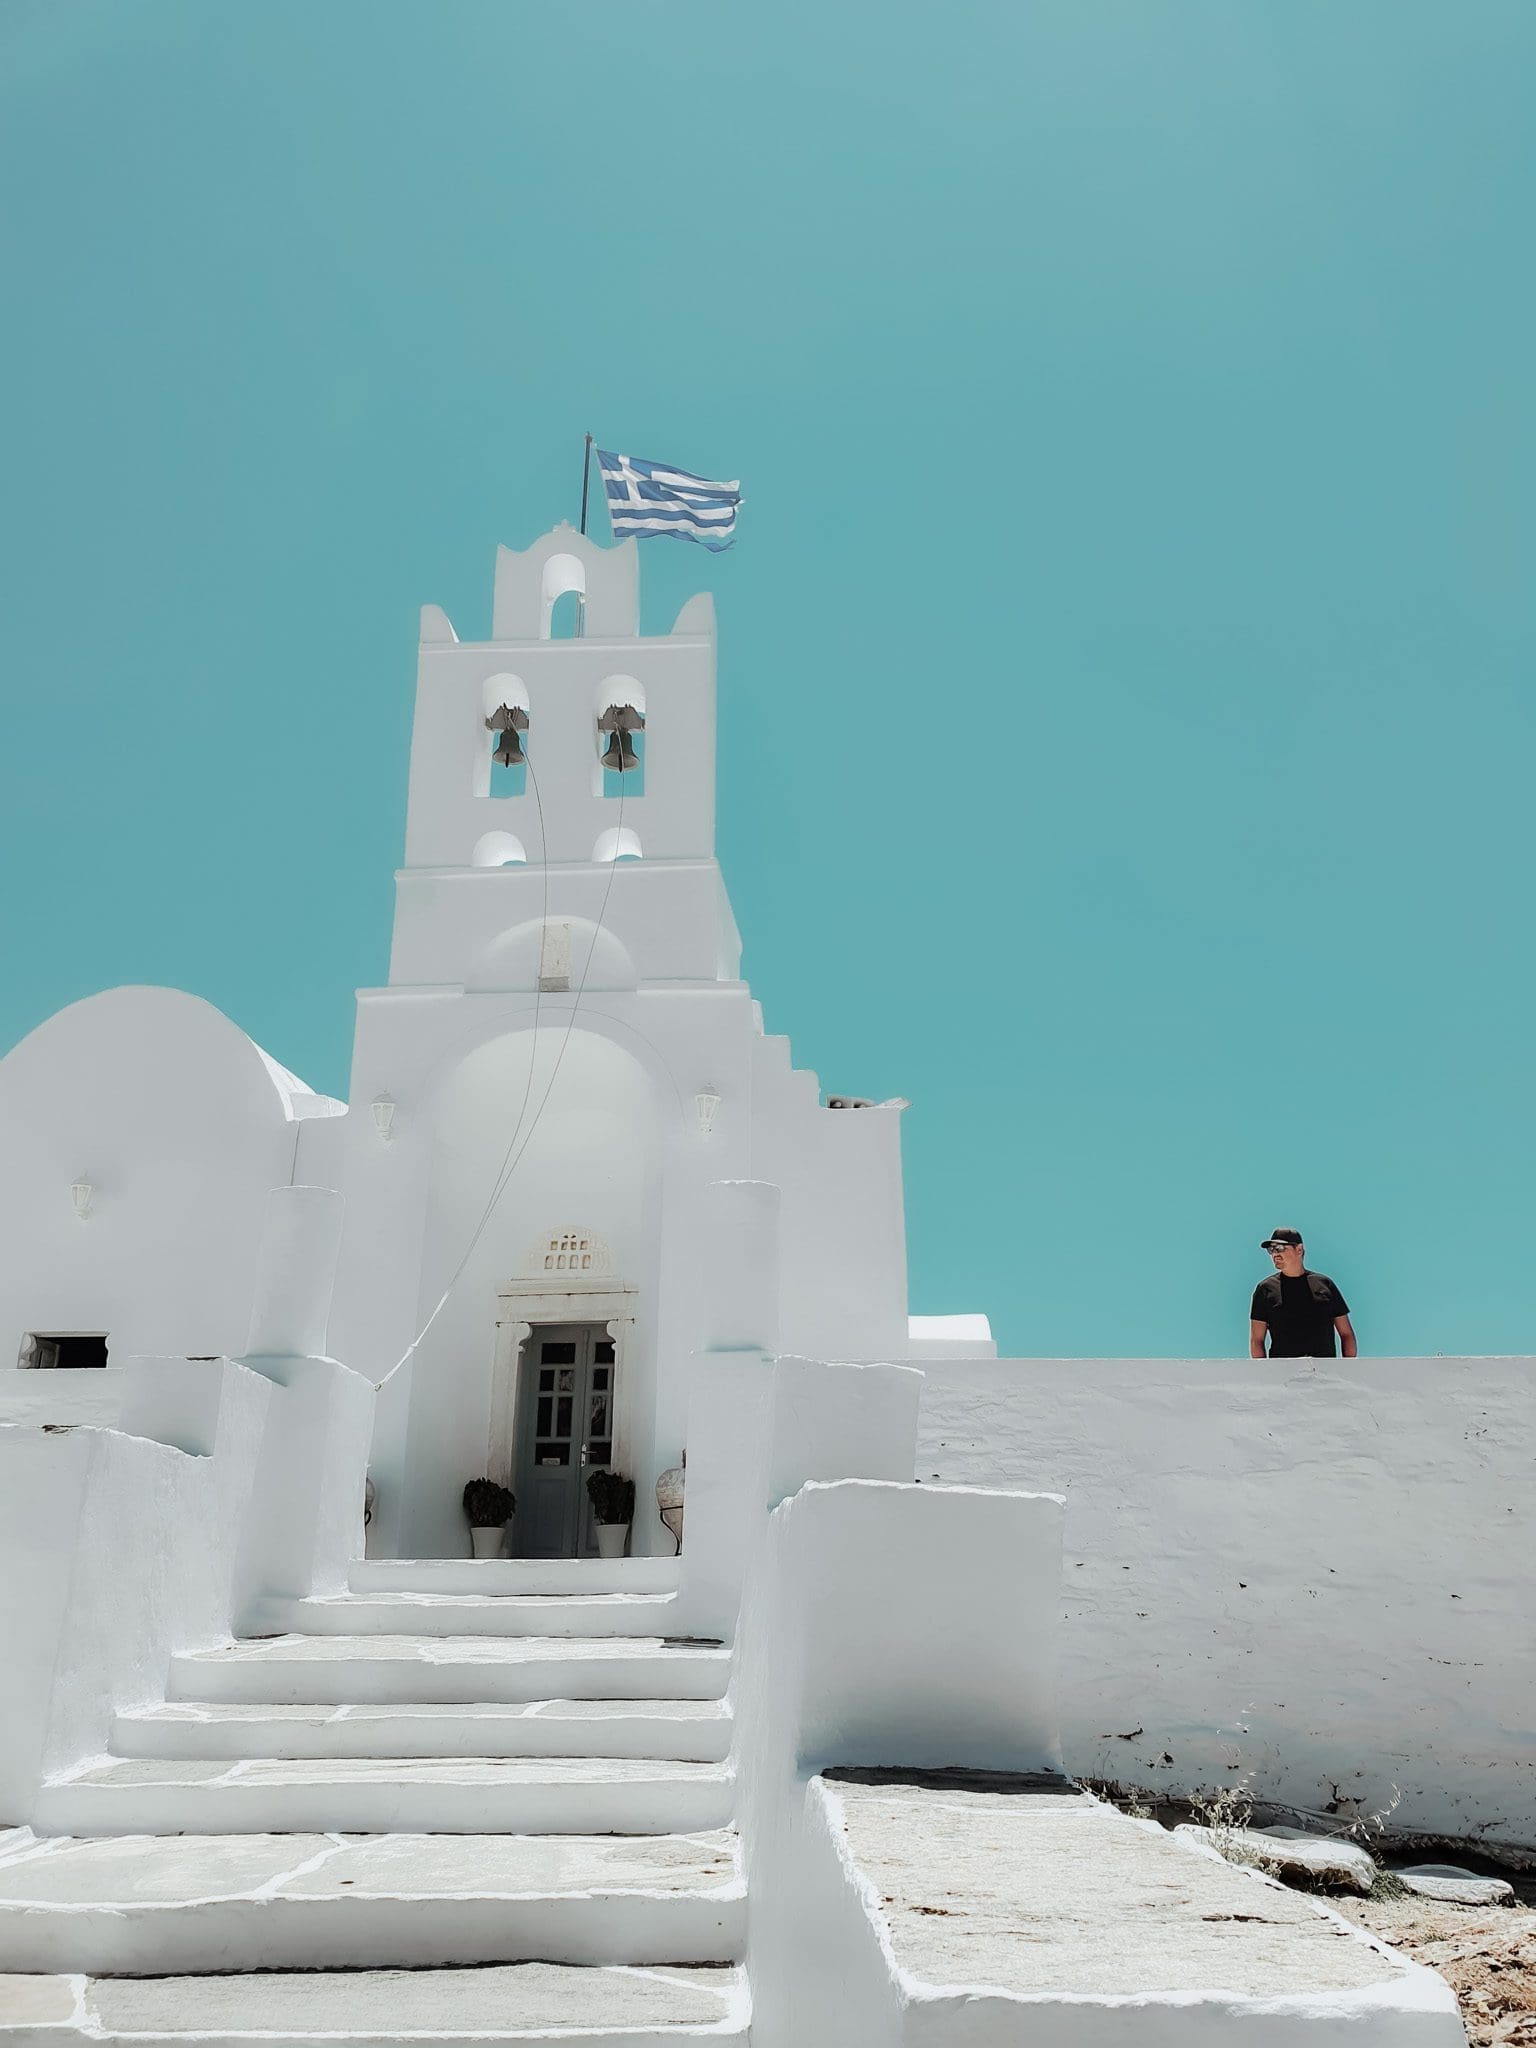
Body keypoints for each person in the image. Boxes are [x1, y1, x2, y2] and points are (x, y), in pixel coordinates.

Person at [1249, 1227, 1357, 1359]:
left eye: (1280, 1248)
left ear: (1299, 1249)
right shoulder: (1265, 1289)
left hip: (1326, 1374)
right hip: (1282, 1375)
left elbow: (1346, 1334)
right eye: (1271, 1250)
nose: (1275, 1254)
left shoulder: (1324, 1285)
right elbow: (1257, 1340)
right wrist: (1264, 1375)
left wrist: (1348, 1370)